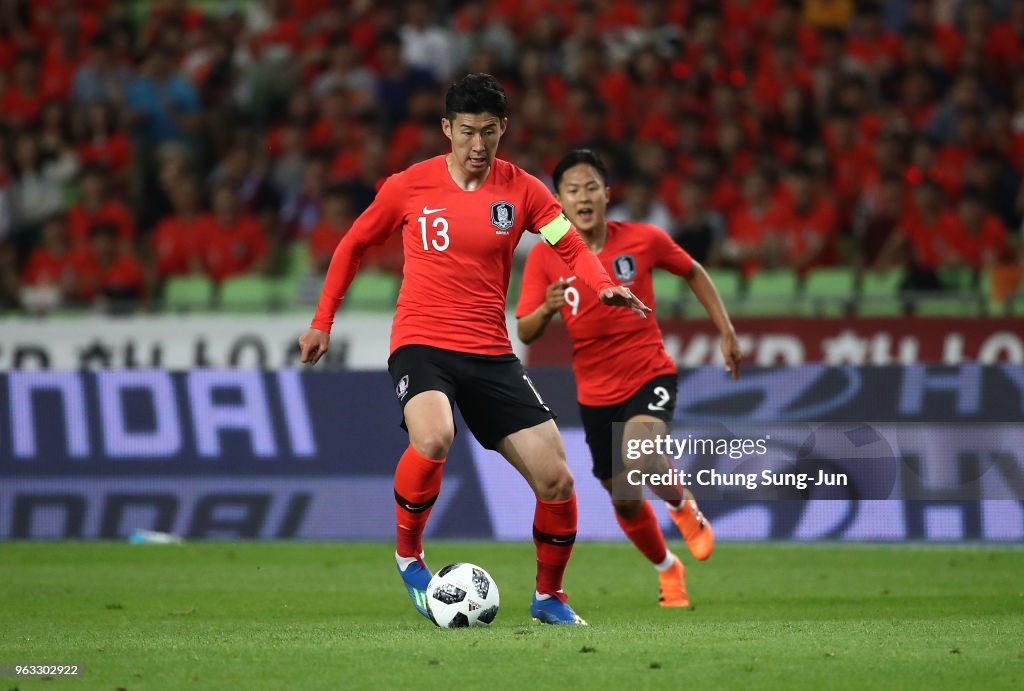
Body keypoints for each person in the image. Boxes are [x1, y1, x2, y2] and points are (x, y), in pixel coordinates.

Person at [298, 74, 649, 626]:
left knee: (557, 478)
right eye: (467, 132)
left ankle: (548, 597)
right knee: (435, 436)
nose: (478, 146)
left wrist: (600, 280)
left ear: (504, 128)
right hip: (421, 342)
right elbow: (355, 243)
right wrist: (322, 322)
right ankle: (409, 556)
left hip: (490, 352)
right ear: (447, 129)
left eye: (489, 132)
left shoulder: (525, 190)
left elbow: (569, 242)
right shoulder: (408, 186)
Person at [516, 149, 742, 607]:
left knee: (639, 454)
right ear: (558, 200)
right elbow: (524, 329)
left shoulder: (643, 239)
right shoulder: (545, 257)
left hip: (648, 371)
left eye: (591, 188)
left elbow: (693, 272)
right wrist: (548, 308)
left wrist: (726, 330)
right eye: (573, 190)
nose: (583, 197)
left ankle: (680, 503)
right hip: (595, 392)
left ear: (606, 195)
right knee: (623, 499)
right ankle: (667, 569)